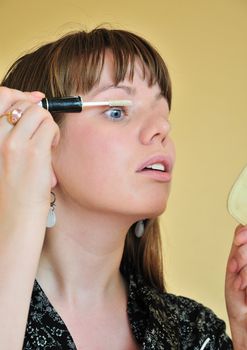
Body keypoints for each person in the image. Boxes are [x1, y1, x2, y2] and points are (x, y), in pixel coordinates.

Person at [0, 27, 246, 350]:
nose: (161, 129)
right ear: (40, 143)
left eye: (163, 114)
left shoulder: (194, 333)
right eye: (117, 111)